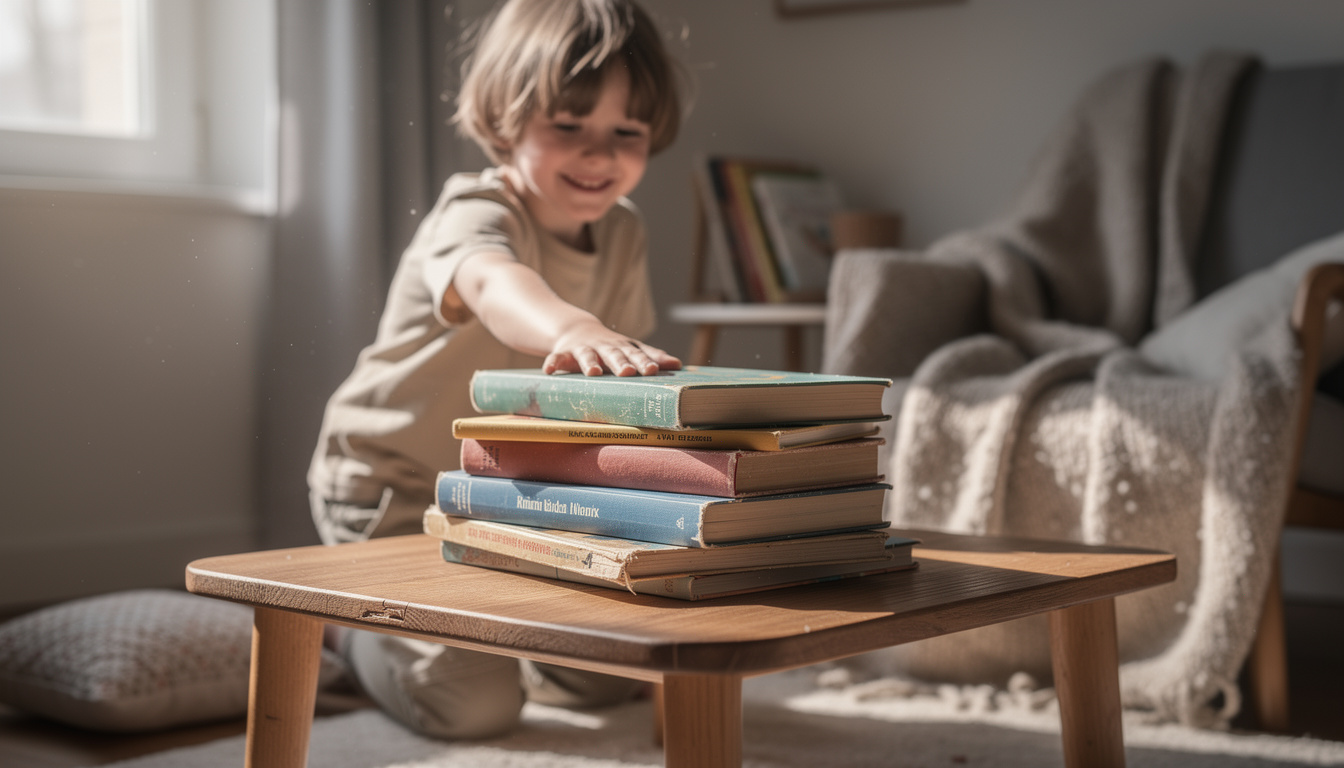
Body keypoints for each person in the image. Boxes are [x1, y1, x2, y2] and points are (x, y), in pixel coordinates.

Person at [306, 0, 685, 740]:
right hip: (391, 487)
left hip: (515, 497)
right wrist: (574, 326)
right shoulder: (475, 211)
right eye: (568, 127)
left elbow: (621, 372)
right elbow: (494, 285)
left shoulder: (625, 231)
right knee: (471, 706)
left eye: (625, 133)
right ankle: (342, 631)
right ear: (507, 122)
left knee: (610, 677)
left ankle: (505, 631)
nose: (599, 156)